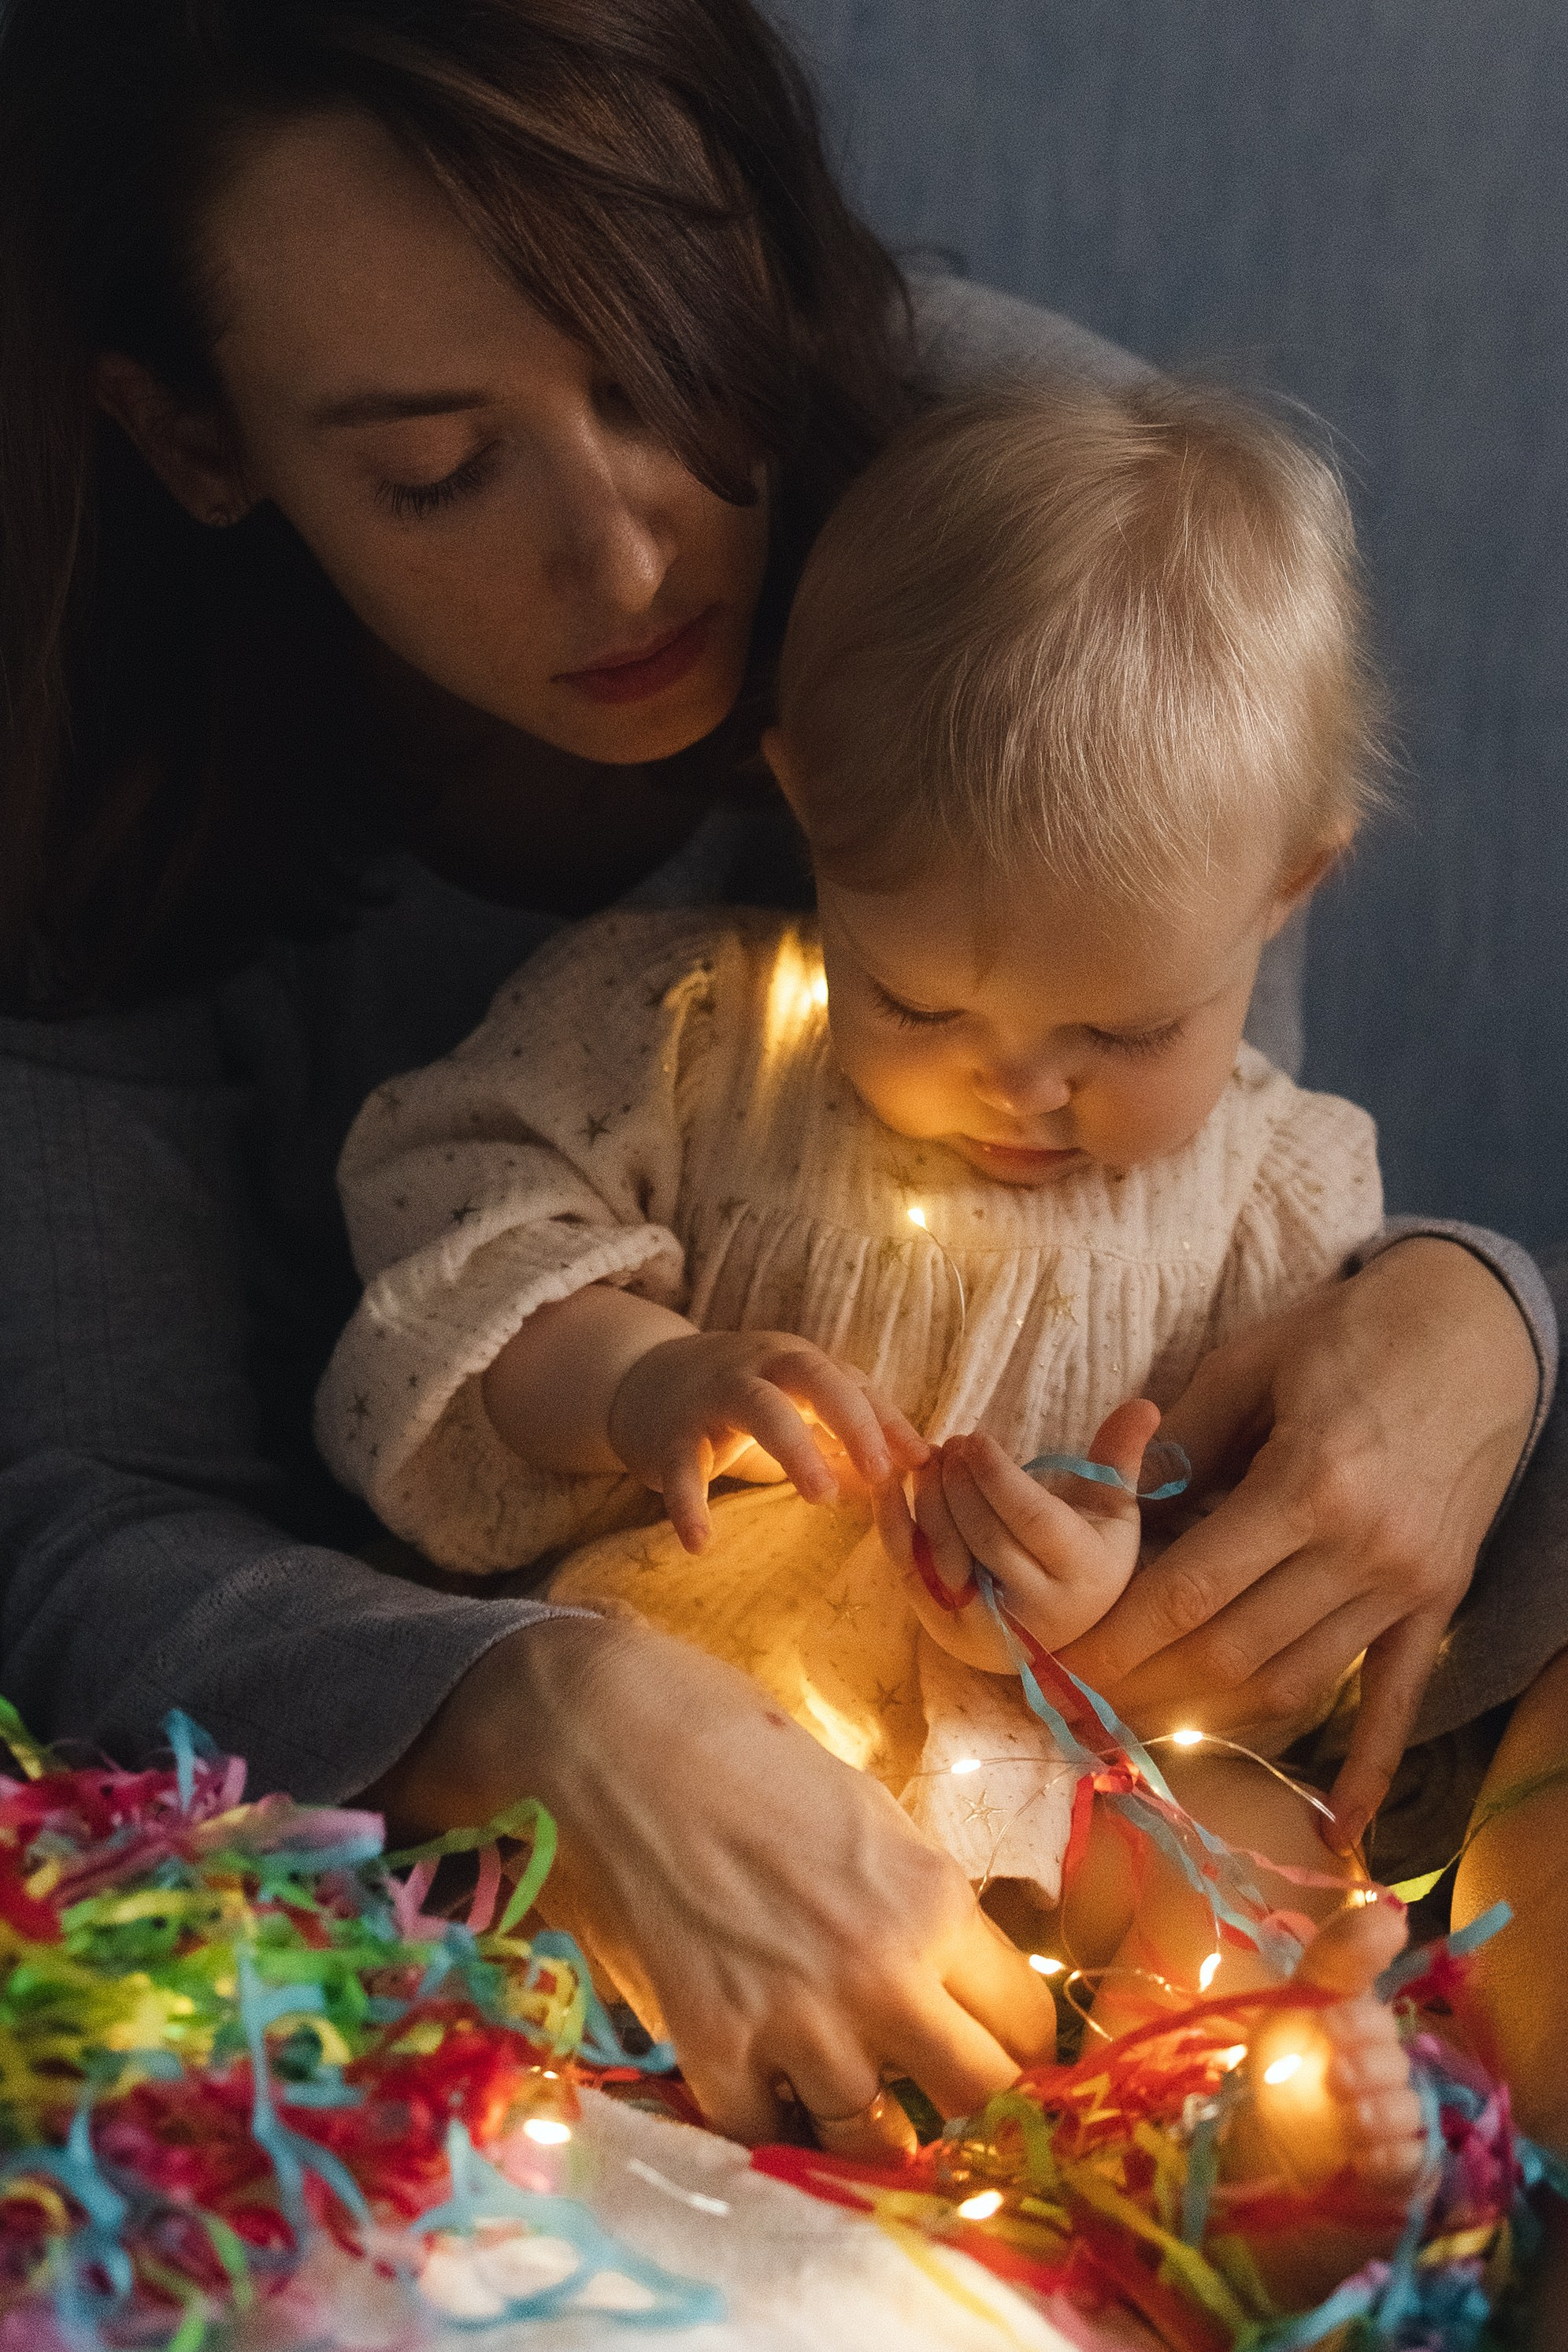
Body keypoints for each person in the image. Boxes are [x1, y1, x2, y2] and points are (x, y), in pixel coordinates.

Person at [0, 0, 1555, 2154]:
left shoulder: (1045, 523)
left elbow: (1166, 1249)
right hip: (483, 1679)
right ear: (198, 438)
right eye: (442, 468)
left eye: (665, 366)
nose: (630, 555)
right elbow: (86, 1513)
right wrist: (545, 1701)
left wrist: (1486, 1317)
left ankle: (1312, 2143)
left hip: (1072, 1715)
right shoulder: (111, 723)